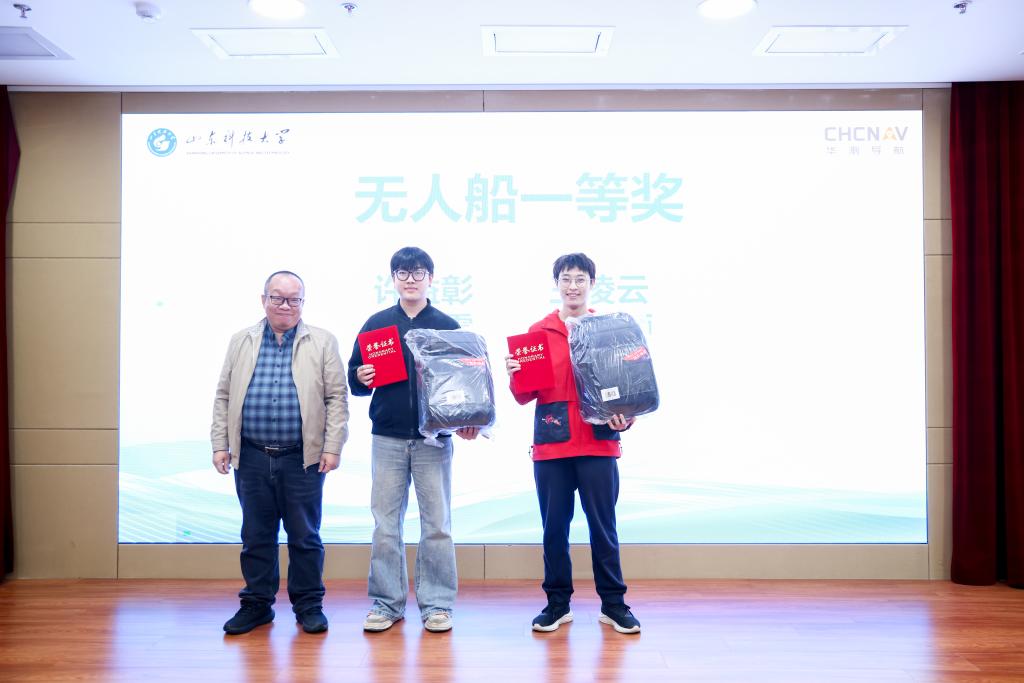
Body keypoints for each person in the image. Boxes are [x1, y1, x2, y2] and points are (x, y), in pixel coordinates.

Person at [505, 253, 641, 634]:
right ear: (557, 284)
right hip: (552, 447)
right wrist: (515, 374)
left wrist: (626, 417)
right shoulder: (539, 332)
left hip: (598, 444)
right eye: (566, 279)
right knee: (554, 530)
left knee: (603, 528)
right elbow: (523, 395)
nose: (573, 286)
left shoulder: (607, 330)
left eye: (580, 279)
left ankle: (614, 605)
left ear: (592, 284)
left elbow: (626, 387)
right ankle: (557, 604)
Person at [348, 246, 479, 633]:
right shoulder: (376, 324)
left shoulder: (446, 326)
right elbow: (355, 378)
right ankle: (386, 603)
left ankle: (437, 604)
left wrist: (468, 420)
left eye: (418, 272)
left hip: (434, 440)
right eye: (402, 273)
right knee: (385, 525)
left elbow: (464, 383)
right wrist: (361, 377)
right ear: (393, 279)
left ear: (430, 278)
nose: (410, 280)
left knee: (437, 524)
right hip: (387, 437)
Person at [211, 270, 349, 635]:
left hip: (302, 458)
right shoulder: (241, 341)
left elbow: (336, 398)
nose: (285, 305)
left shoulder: (322, 341)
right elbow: (223, 396)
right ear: (264, 300)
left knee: (304, 536)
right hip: (252, 456)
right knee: (256, 535)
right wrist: (220, 444)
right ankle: (256, 605)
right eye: (277, 297)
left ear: (303, 303)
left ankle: (309, 606)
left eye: (293, 299)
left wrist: (333, 446)